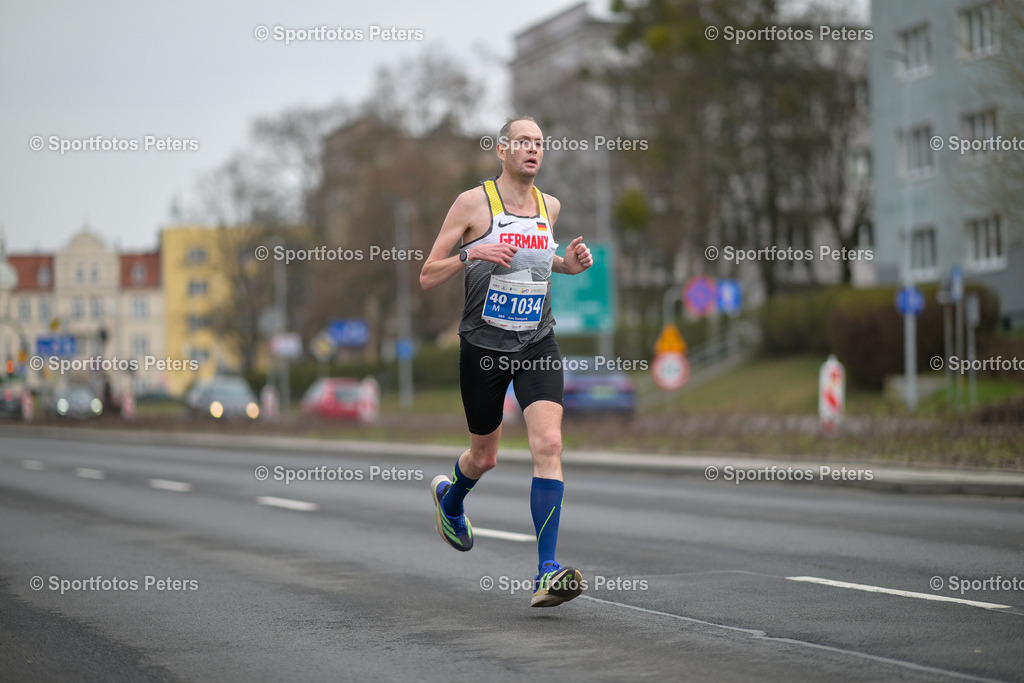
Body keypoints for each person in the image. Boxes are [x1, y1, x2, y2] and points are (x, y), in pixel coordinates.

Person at [420, 115, 593, 608]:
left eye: (539, 143)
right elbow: (428, 275)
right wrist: (472, 254)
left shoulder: (549, 206)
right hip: (484, 349)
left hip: (537, 342)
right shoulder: (473, 203)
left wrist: (567, 266)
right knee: (485, 457)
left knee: (550, 443)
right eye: (523, 142)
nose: (533, 150)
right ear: (502, 150)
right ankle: (451, 501)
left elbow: (537, 258)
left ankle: (547, 572)